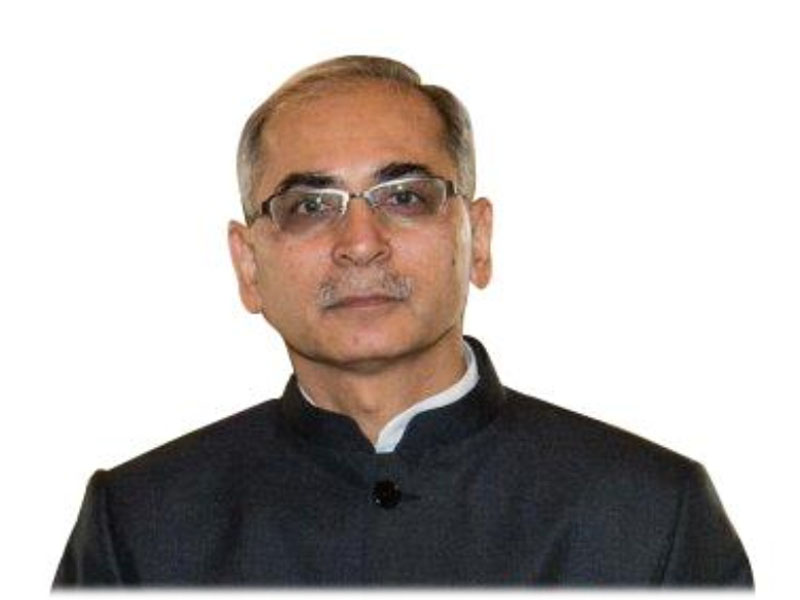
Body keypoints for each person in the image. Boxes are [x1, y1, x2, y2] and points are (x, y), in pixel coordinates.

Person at [53, 55, 753, 587]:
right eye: (310, 207)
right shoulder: (141, 527)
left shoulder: (649, 517)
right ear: (248, 265)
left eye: (405, 197)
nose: (360, 243)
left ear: (478, 238)